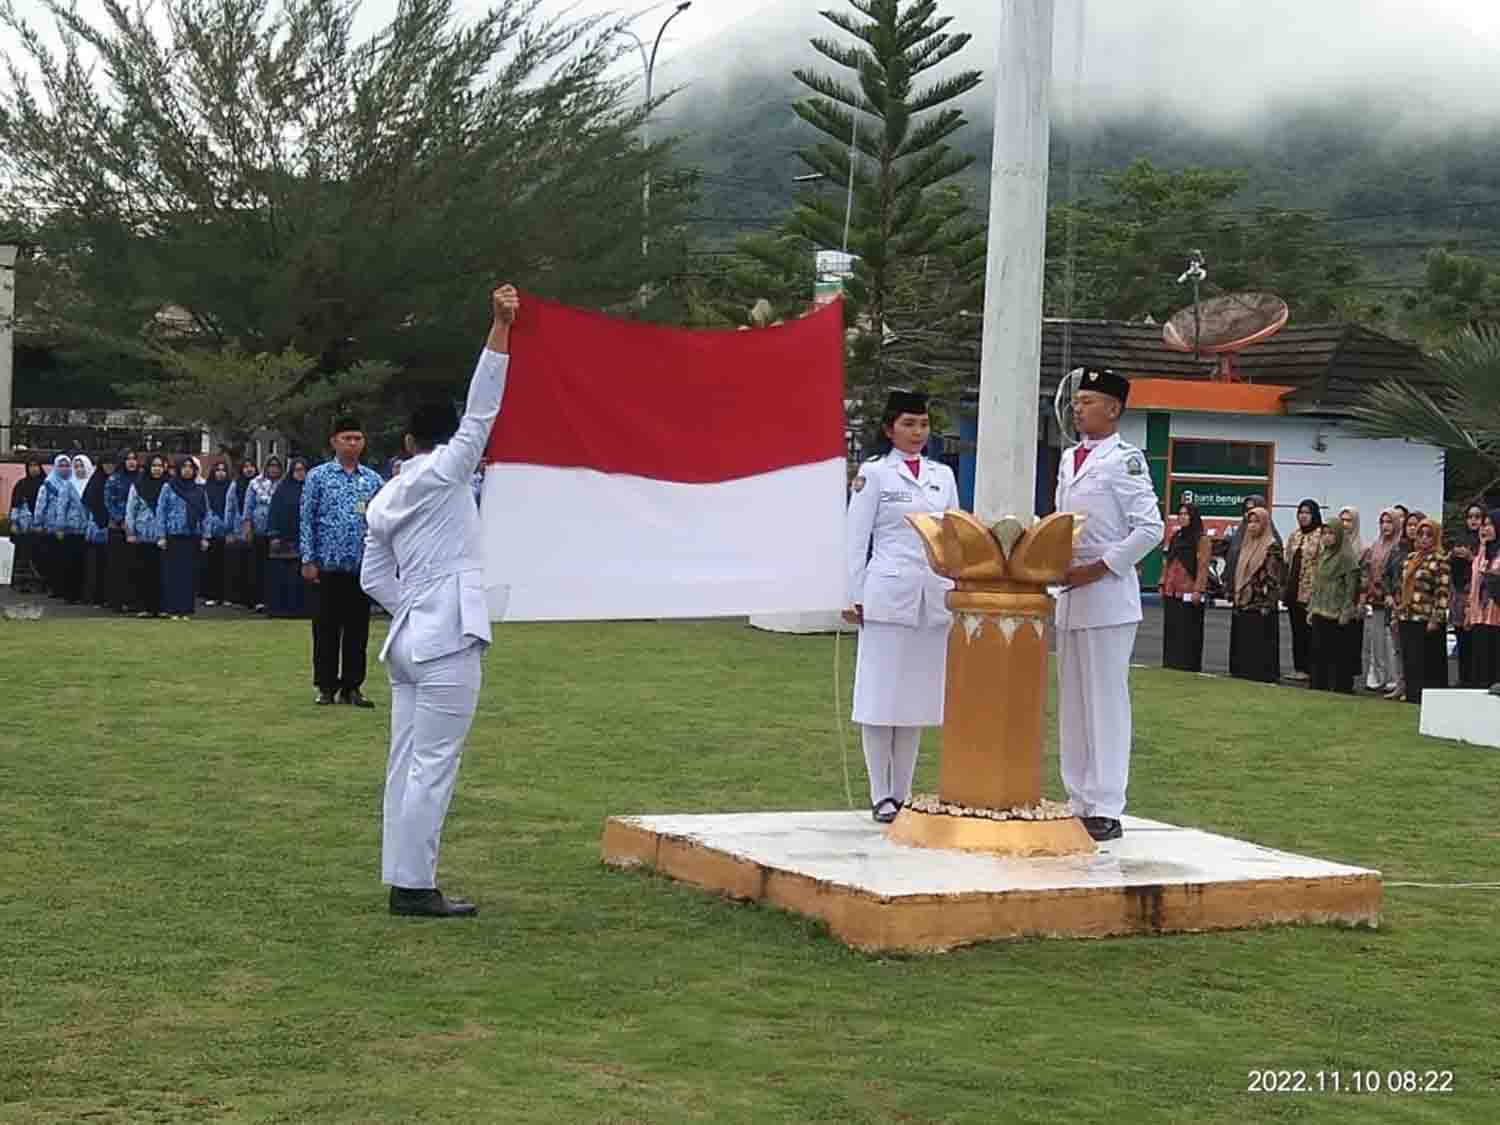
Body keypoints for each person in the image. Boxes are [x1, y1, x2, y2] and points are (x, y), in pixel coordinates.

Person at [361, 284, 520, 918]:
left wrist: (413, 606)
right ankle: (415, 885)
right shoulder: (449, 470)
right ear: (442, 439)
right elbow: (483, 412)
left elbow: (373, 576)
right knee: (432, 765)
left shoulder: (386, 495)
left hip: (406, 639)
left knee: (407, 765)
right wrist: (499, 330)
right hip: (446, 633)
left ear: (404, 445)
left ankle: (404, 877)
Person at [1054, 368, 1164, 843]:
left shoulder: (1126, 460)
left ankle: (1106, 804)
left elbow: (1150, 528)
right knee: (1073, 704)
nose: (1078, 409)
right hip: (1070, 594)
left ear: (1113, 409)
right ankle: (1077, 797)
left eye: (1089, 401)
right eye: (1077, 402)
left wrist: (1100, 567)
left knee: (1105, 703)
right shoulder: (1068, 459)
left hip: (1106, 593)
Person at [844, 389, 960, 824]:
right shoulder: (874, 475)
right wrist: (850, 593)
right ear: (890, 428)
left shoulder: (941, 476)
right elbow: (856, 537)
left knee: (916, 698)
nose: (917, 433)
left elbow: (954, 534)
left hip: (931, 595)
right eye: (908, 424)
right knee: (880, 695)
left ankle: (904, 792)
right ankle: (880, 794)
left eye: (923, 424)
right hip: (887, 591)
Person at [302, 418, 384, 706]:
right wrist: (308, 557)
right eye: (347, 438)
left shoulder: (373, 480)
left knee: (357, 629)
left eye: (357, 438)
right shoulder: (318, 476)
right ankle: (325, 686)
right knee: (325, 628)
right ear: (334, 442)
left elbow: (382, 522)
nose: (353, 443)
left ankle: (352, 686)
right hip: (327, 565)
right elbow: (307, 519)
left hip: (361, 566)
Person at [1395, 516, 1450, 705]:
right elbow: (1403, 587)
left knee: (1425, 662)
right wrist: (1399, 611)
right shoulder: (1410, 558)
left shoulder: (1440, 559)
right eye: (1421, 534)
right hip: (1407, 615)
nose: (1424, 538)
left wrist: (1436, 617)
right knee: (1410, 660)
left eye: (1429, 535)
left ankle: (1426, 701)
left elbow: (1442, 592)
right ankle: (1412, 696)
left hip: (1426, 619)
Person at [1228, 507, 1284, 684]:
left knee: (1260, 643)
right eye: (1249, 522)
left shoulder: (1271, 546)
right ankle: (1242, 670)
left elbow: (1274, 578)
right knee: (1244, 641)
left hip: (1261, 605)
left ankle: (1261, 673)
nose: (1252, 526)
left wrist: (1268, 604)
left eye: (1256, 522)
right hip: (1244, 602)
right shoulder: (1245, 544)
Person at [1306, 518, 1360, 693]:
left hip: (1337, 614)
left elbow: (1352, 588)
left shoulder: (1347, 557)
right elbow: (1318, 584)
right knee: (1318, 652)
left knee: (1337, 655)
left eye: (1331, 533)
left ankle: (1338, 687)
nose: (1327, 537)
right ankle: (1318, 685)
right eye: (1324, 533)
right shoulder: (1324, 554)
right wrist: (1312, 608)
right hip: (1320, 610)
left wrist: (1346, 610)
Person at [154, 456, 209, 619]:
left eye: (190, 467)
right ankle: (173, 609)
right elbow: (161, 511)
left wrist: (206, 536)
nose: (187, 470)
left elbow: (206, 514)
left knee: (189, 575)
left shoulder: (199, 490)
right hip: (173, 536)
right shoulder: (168, 487)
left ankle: (186, 609)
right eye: (184, 467)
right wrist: (161, 535)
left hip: (192, 536)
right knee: (173, 575)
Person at [1161, 501, 1212, 672]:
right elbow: (1168, 561)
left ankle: (1188, 663)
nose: (1182, 517)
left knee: (1188, 628)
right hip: (1172, 590)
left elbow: (1203, 565)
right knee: (1173, 627)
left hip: (1189, 590)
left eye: (1186, 514)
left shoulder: (1201, 539)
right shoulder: (1176, 536)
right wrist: (1163, 582)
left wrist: (1199, 589)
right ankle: (1171, 661)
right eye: (1180, 514)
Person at [33, 455, 89, 603]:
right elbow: (43, 505)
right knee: (57, 561)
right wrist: (39, 523)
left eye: (67, 466)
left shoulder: (76, 482)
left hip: (78, 529)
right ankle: (57, 589)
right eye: (61, 466)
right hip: (55, 528)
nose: (65, 469)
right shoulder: (49, 484)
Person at [1360, 509, 1403, 693]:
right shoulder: (1376, 545)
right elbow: (1368, 568)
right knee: (1376, 640)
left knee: (1391, 641)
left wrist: (1388, 592)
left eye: (1389, 522)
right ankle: (1377, 676)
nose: (1385, 526)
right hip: (1376, 598)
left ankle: (1394, 678)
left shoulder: (1399, 546)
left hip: (1392, 599)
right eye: (1382, 522)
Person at [1282, 499, 1324, 682]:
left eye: (1307, 512)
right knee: (1297, 631)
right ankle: (1299, 668)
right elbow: (1287, 561)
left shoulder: (1321, 535)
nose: (1303, 516)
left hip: (1312, 591)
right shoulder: (1294, 535)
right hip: (1294, 591)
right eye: (1300, 512)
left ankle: (1313, 668)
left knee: (1312, 632)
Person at [266, 458, 310, 618]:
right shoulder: (282, 489)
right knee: (283, 576)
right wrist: (274, 534)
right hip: (283, 539)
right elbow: (274, 512)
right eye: (297, 470)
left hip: (304, 539)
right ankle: (281, 610)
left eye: (303, 470)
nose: (300, 474)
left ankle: (301, 610)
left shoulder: (311, 489)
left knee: (301, 577)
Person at [126, 454, 168, 618]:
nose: (157, 469)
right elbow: (130, 510)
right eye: (154, 465)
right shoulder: (138, 485)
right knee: (143, 572)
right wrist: (130, 532)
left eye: (160, 465)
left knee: (162, 573)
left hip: (163, 536)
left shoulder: (169, 486)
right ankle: (144, 606)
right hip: (143, 534)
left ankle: (162, 607)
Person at [1448, 503, 1484, 686]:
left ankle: (1473, 679)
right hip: (1458, 594)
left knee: (1474, 639)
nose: (1473, 520)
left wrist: (1471, 558)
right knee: (1461, 637)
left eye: (1477, 517)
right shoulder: (1461, 538)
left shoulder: (1485, 541)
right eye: (1470, 517)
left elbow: (1484, 567)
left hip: (1476, 594)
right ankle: (1463, 677)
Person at [243, 456, 283, 612]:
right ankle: (258, 600)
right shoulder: (255, 483)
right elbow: (248, 506)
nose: (273, 469)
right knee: (258, 566)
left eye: (276, 466)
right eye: (270, 466)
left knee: (274, 567)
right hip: (259, 529)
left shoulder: (283, 484)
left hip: (277, 532)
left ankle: (273, 599)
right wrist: (247, 526)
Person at [1466, 510, 1500, 693]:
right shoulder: (1481, 553)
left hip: (1496, 617)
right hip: (1479, 616)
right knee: (1480, 664)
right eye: (1484, 525)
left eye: (1489, 525)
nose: (1484, 529)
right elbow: (1474, 585)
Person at [104, 452, 139, 612]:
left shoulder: (140, 479)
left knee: (134, 566)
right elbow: (108, 502)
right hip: (117, 527)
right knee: (117, 566)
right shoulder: (114, 479)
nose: (132, 462)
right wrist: (121, 519)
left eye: (134, 459)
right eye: (128, 459)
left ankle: (132, 601)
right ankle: (116, 602)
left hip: (136, 529)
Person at [79, 453, 114, 607]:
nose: (109, 467)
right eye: (106, 463)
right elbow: (87, 501)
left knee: (111, 565)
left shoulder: (117, 481)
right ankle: (94, 597)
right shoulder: (96, 480)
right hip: (97, 529)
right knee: (95, 565)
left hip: (115, 527)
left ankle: (109, 597)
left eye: (112, 464)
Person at [7, 457, 46, 594]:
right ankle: (21, 584)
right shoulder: (21, 484)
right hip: (23, 529)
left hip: (41, 529)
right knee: (22, 556)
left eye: (36, 465)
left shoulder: (46, 485)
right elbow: (14, 505)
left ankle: (38, 584)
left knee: (40, 556)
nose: (33, 469)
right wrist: (13, 523)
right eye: (30, 466)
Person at [224, 459, 259, 608]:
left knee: (253, 566)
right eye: (246, 467)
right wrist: (229, 530)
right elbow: (230, 508)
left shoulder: (260, 485)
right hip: (238, 531)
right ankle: (237, 598)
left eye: (251, 466)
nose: (249, 469)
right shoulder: (235, 485)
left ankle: (252, 598)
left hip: (256, 530)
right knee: (238, 566)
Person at [201, 460, 232, 606]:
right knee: (211, 564)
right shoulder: (206, 488)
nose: (220, 473)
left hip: (227, 531)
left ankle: (226, 596)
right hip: (211, 531)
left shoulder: (231, 488)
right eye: (218, 470)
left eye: (223, 470)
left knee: (227, 565)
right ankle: (211, 595)